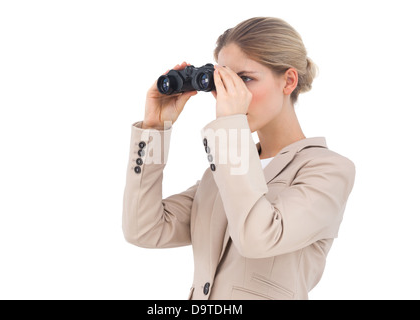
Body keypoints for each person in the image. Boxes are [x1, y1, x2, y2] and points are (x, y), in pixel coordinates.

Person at [122, 17, 356, 300]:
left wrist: (230, 128)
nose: (230, 94)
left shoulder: (328, 170)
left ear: (288, 81)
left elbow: (258, 238)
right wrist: (154, 129)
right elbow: (144, 229)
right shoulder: (222, 173)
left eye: (244, 79)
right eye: (223, 82)